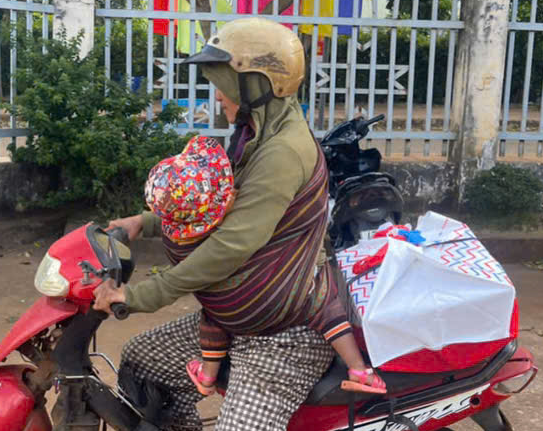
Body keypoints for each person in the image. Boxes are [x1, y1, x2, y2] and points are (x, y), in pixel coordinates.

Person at [93, 18, 379, 431]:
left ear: (260, 82)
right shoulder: (253, 132)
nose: (217, 94)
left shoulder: (283, 150)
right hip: (241, 315)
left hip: (284, 334)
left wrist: (141, 294)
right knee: (143, 363)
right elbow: (210, 204)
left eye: (225, 82)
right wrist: (143, 221)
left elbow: (229, 245)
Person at [143, 137, 386, 397]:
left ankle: (207, 374)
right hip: (280, 296)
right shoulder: (245, 217)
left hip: (231, 307)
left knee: (213, 312)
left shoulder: (189, 241)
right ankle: (358, 369)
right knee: (326, 304)